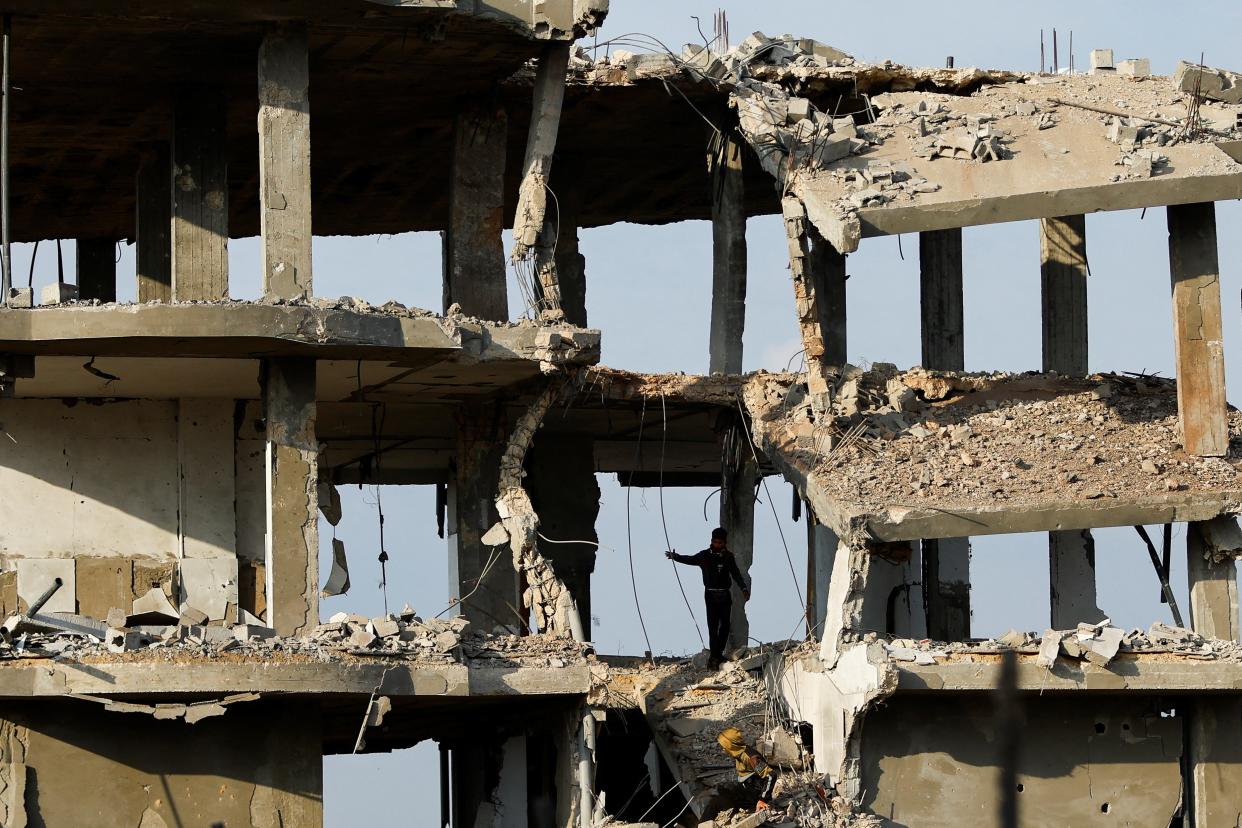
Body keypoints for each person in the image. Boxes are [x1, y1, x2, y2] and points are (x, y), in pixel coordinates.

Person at [665, 527, 750, 669]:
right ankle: (715, 657)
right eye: (715, 542)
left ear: (725, 543)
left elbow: (736, 574)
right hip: (710, 595)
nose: (718, 545)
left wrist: (744, 588)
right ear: (711, 541)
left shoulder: (728, 557)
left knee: (725, 626)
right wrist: (676, 557)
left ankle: (717, 654)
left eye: (720, 543)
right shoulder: (704, 556)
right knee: (712, 627)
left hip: (724, 595)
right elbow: (690, 559)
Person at [716, 727, 776, 811]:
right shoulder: (739, 751)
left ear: (731, 746)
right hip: (748, 785)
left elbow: (771, 775)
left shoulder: (751, 758)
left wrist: (762, 799)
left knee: (717, 801)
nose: (723, 749)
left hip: (754, 793)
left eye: (724, 746)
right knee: (722, 788)